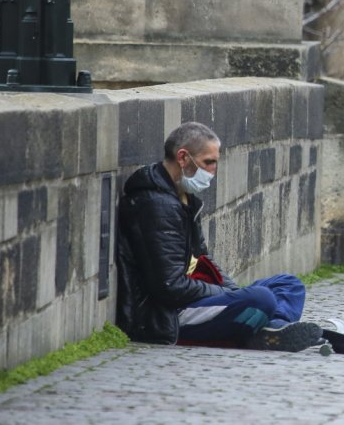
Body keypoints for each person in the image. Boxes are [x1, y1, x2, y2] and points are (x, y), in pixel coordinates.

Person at [116, 122, 323, 352]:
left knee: (289, 284)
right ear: (183, 158)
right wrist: (228, 294)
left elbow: (202, 257)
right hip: (167, 316)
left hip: (193, 296)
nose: (213, 171)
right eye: (208, 162)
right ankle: (268, 329)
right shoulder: (157, 205)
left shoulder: (184, 197)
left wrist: (231, 290)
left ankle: (273, 329)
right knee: (260, 299)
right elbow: (170, 287)